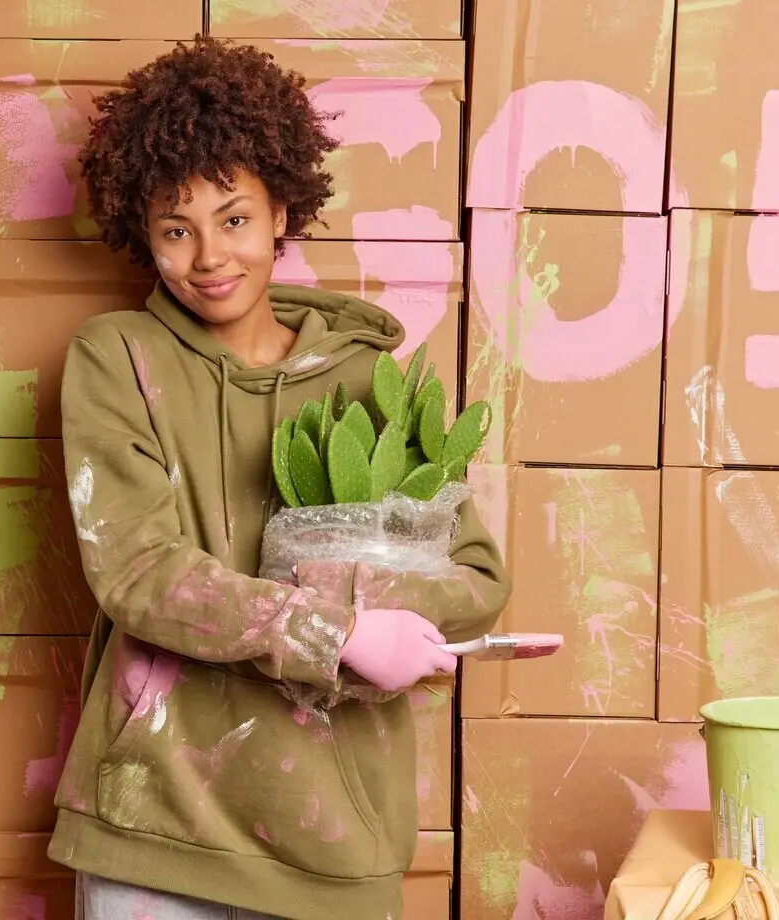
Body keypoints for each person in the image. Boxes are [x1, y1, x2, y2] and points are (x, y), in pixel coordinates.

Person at [49, 36, 512, 920]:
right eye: (174, 229)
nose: (209, 256)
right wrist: (332, 631)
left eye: (234, 218)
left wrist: (368, 611)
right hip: (158, 818)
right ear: (140, 234)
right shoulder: (117, 359)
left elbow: (477, 577)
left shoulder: (373, 379)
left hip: (337, 830)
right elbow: (138, 570)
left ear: (281, 213)